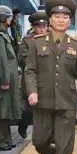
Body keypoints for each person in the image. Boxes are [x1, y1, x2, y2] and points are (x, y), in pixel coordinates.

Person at [24, 0, 77, 154]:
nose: (61, 20)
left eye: (65, 17)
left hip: (66, 102)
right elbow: (29, 70)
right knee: (39, 140)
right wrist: (31, 91)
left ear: (70, 20)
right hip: (42, 100)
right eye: (57, 16)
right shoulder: (36, 43)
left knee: (65, 145)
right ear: (50, 19)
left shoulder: (76, 45)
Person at [0, 5, 21, 151]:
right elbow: (1, 60)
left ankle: (6, 139)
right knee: (1, 110)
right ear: (3, 18)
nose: (10, 19)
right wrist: (5, 80)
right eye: (8, 17)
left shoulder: (4, 34)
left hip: (7, 78)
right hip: (3, 80)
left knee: (6, 109)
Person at [17, 10, 49, 139]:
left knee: (46, 106)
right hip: (32, 78)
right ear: (33, 27)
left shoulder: (52, 39)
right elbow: (22, 59)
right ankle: (23, 125)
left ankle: (42, 134)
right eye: (38, 26)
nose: (41, 29)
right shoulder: (27, 41)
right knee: (30, 107)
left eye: (44, 26)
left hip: (48, 78)